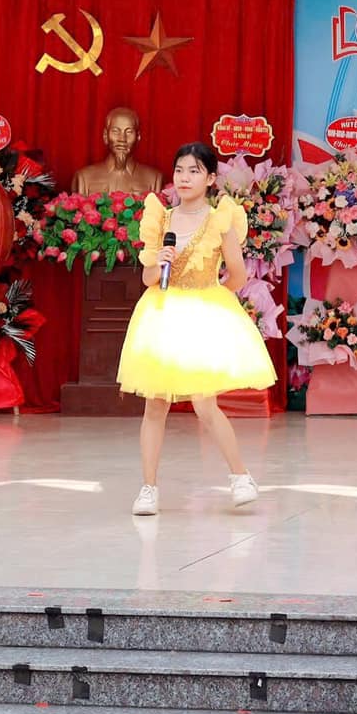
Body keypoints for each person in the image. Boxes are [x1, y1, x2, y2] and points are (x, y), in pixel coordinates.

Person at [119, 142, 276, 516]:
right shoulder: (161, 220)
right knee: (155, 404)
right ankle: (148, 488)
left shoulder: (220, 220)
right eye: (179, 170)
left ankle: (240, 477)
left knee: (206, 404)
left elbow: (237, 275)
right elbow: (148, 277)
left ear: (209, 178)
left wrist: (213, 300)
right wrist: (160, 262)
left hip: (203, 312)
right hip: (162, 313)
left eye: (193, 171)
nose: (184, 178)